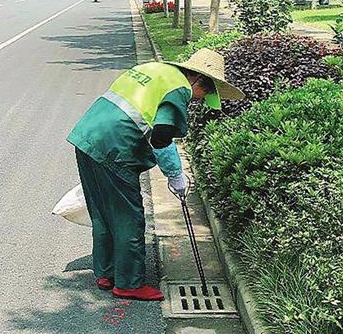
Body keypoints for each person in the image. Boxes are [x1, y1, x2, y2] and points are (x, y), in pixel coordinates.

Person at [66, 49, 244, 301]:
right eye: (206, 95)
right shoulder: (179, 88)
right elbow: (161, 138)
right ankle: (128, 283)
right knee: (129, 216)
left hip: (87, 136)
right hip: (116, 146)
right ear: (200, 81)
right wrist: (175, 175)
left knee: (103, 211)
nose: (199, 101)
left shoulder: (152, 69)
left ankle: (106, 272)